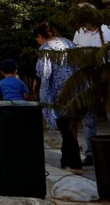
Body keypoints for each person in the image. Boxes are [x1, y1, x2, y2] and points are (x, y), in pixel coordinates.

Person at [34, 22, 83, 175]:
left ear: (41, 37)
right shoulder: (69, 43)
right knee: (70, 125)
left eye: (37, 38)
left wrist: (40, 88)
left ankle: (74, 163)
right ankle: (67, 161)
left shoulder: (46, 48)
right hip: (75, 89)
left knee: (66, 126)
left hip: (58, 92)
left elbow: (44, 71)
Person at [73, 22, 110, 167]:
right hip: (88, 78)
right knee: (88, 118)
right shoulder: (79, 33)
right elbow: (76, 56)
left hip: (108, 77)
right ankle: (90, 153)